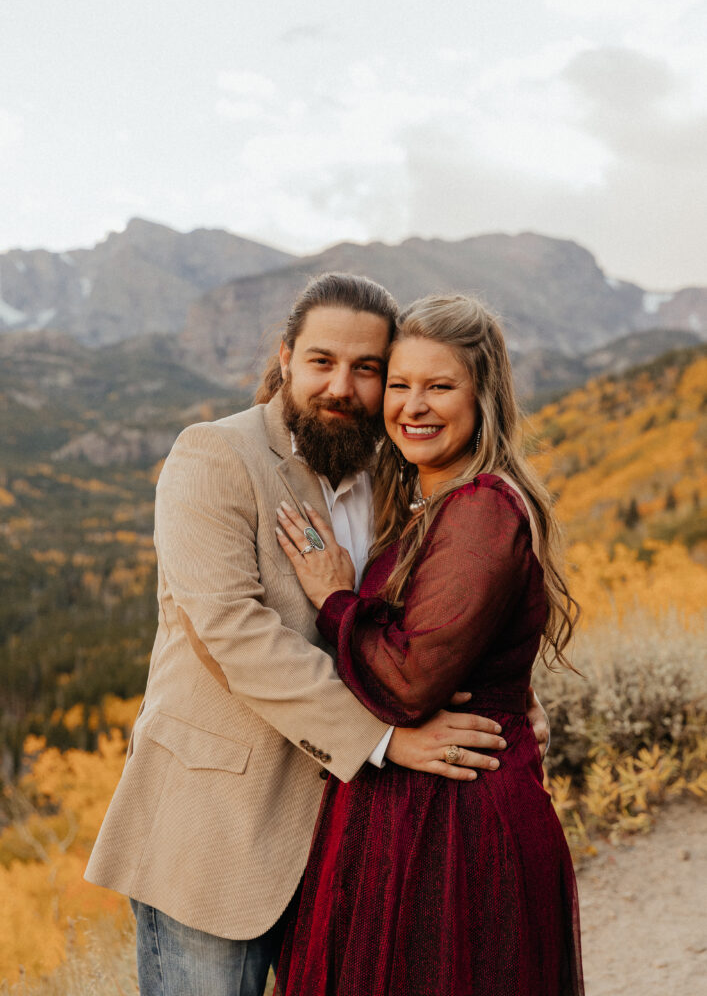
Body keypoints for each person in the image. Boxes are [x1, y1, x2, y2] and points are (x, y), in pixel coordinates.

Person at [85, 274, 550, 996]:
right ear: (285, 358)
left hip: (348, 839)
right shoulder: (215, 456)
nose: (343, 386)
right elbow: (233, 635)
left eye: (368, 370)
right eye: (322, 362)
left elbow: (432, 616)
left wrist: (507, 702)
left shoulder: (392, 471)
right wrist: (388, 739)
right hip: (218, 832)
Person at [274, 293, 584, 996]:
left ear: (484, 398)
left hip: (457, 830)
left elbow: (409, 681)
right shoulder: (430, 499)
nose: (412, 406)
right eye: (400, 385)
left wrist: (334, 597)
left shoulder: (479, 508)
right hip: (419, 817)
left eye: (439, 387)